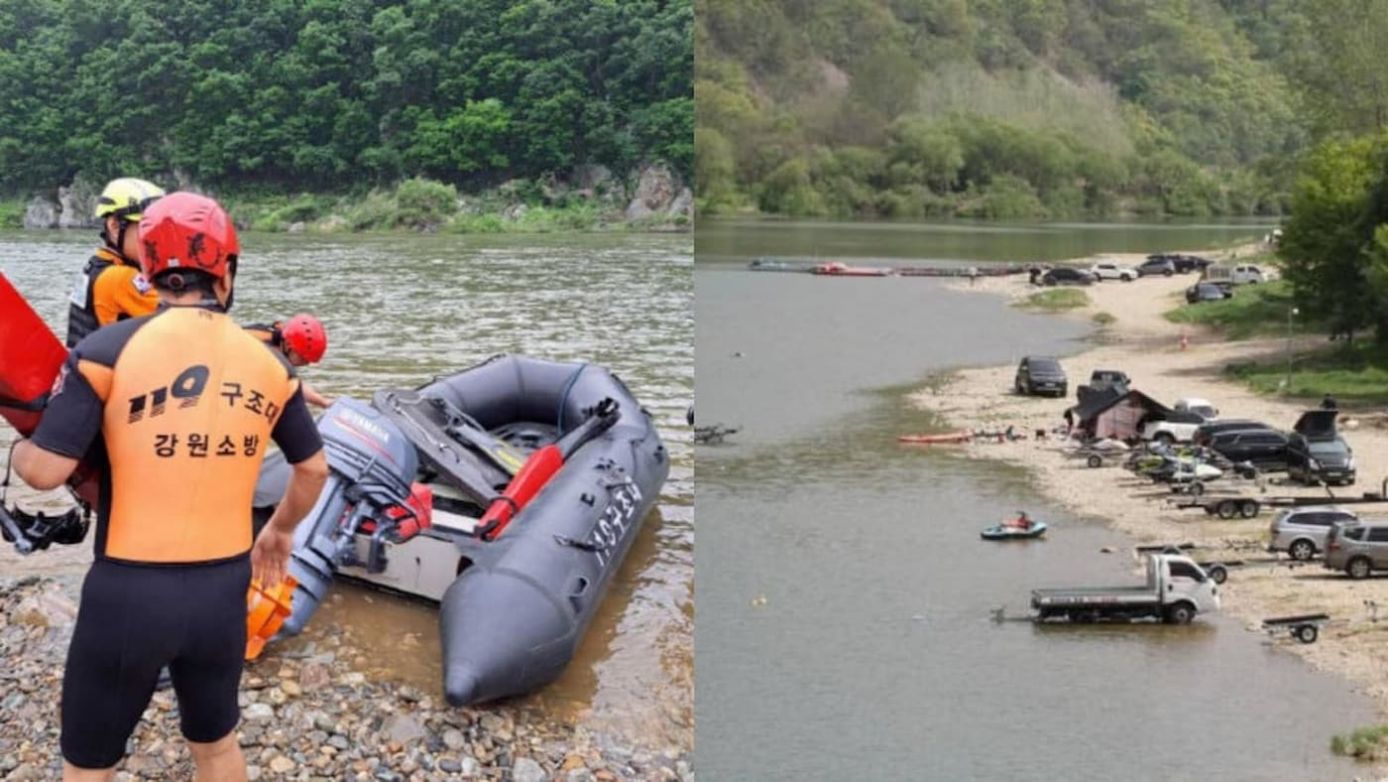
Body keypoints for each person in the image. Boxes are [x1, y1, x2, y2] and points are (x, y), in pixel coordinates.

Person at [11, 192, 329, 781]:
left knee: (88, 764)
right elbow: (313, 470)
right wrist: (279, 532)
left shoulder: (105, 351)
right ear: (226, 271)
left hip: (129, 594)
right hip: (223, 590)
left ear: (149, 270)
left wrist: (21, 448)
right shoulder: (273, 368)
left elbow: (47, 470)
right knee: (215, 744)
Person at [65, 178, 166, 347]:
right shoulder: (120, 278)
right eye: (147, 228)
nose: (156, 240)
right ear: (114, 226)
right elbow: (182, 321)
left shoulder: (96, 266)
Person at [244, 314, 332, 407]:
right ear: (289, 346)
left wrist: (324, 402)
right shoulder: (264, 350)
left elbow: (293, 383)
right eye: (303, 359)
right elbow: (291, 385)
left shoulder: (279, 341)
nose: (306, 364)